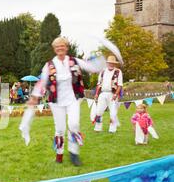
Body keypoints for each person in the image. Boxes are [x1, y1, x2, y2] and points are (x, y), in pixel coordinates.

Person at [28, 36, 104, 166]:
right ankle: (59, 153)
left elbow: (90, 67)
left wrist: (100, 61)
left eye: (62, 46)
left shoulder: (74, 61)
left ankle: (74, 153)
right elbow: (42, 81)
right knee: (60, 129)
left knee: (74, 124)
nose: (60, 48)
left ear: (66, 48)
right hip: (56, 101)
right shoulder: (49, 65)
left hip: (73, 99)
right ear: (54, 49)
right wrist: (35, 96)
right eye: (57, 47)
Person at [93, 55, 124, 133]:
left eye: (112, 63)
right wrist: (97, 93)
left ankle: (112, 129)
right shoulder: (102, 71)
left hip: (112, 94)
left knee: (113, 113)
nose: (111, 64)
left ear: (115, 64)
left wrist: (116, 94)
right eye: (109, 63)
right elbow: (99, 84)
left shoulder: (118, 71)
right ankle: (98, 128)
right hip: (103, 93)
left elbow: (120, 85)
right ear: (107, 63)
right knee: (99, 111)